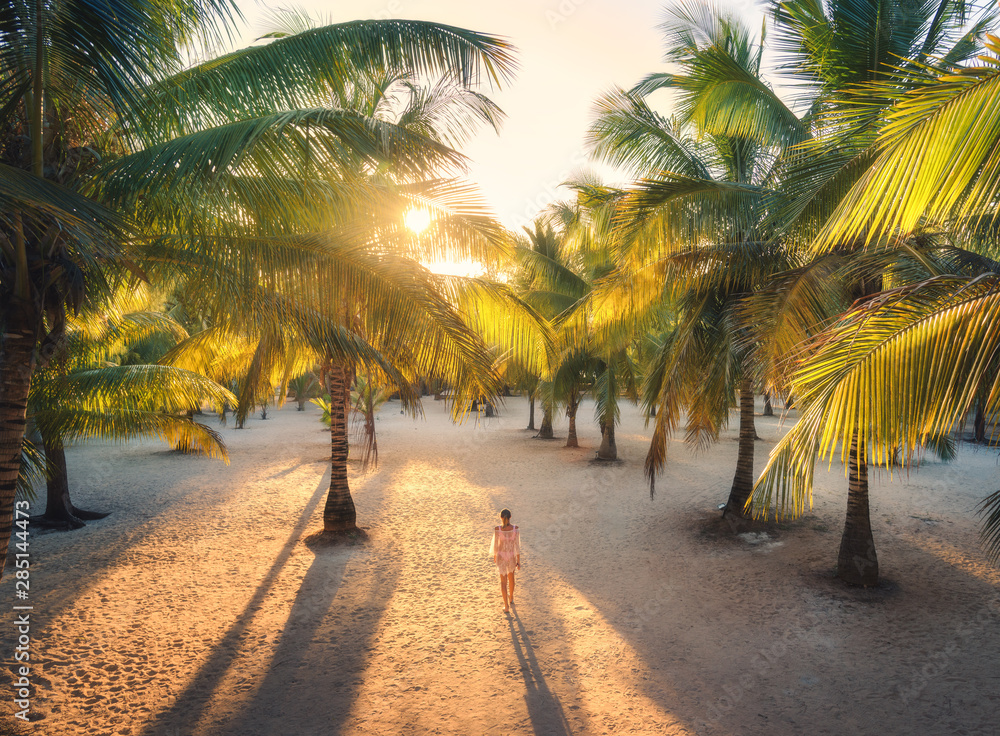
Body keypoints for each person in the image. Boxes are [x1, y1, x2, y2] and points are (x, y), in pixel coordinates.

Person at [490, 508, 520, 613]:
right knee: (511, 579)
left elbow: (495, 546)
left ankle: (506, 606)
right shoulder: (515, 528)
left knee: (503, 582)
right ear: (510, 517)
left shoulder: (497, 529)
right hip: (511, 557)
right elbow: (517, 546)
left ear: (501, 517)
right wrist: (518, 561)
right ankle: (511, 597)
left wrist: (495, 557)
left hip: (501, 557)